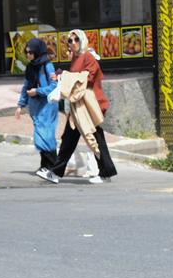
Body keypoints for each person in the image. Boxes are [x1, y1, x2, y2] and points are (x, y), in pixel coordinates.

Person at [43, 29, 117, 184]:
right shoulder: (77, 58)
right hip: (78, 106)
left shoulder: (87, 56)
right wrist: (62, 77)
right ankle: (55, 173)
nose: (73, 43)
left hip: (90, 106)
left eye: (76, 39)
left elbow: (88, 78)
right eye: (70, 40)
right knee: (68, 140)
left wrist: (64, 76)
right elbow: (76, 80)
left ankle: (105, 172)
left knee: (95, 138)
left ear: (82, 40)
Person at [13, 36, 58, 179]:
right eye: (27, 52)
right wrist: (20, 105)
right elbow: (26, 86)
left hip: (47, 107)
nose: (28, 55)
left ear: (38, 52)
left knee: (46, 136)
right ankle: (45, 166)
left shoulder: (47, 66)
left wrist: (37, 91)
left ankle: (53, 166)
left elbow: (53, 86)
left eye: (30, 52)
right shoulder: (30, 67)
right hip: (36, 108)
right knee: (41, 135)